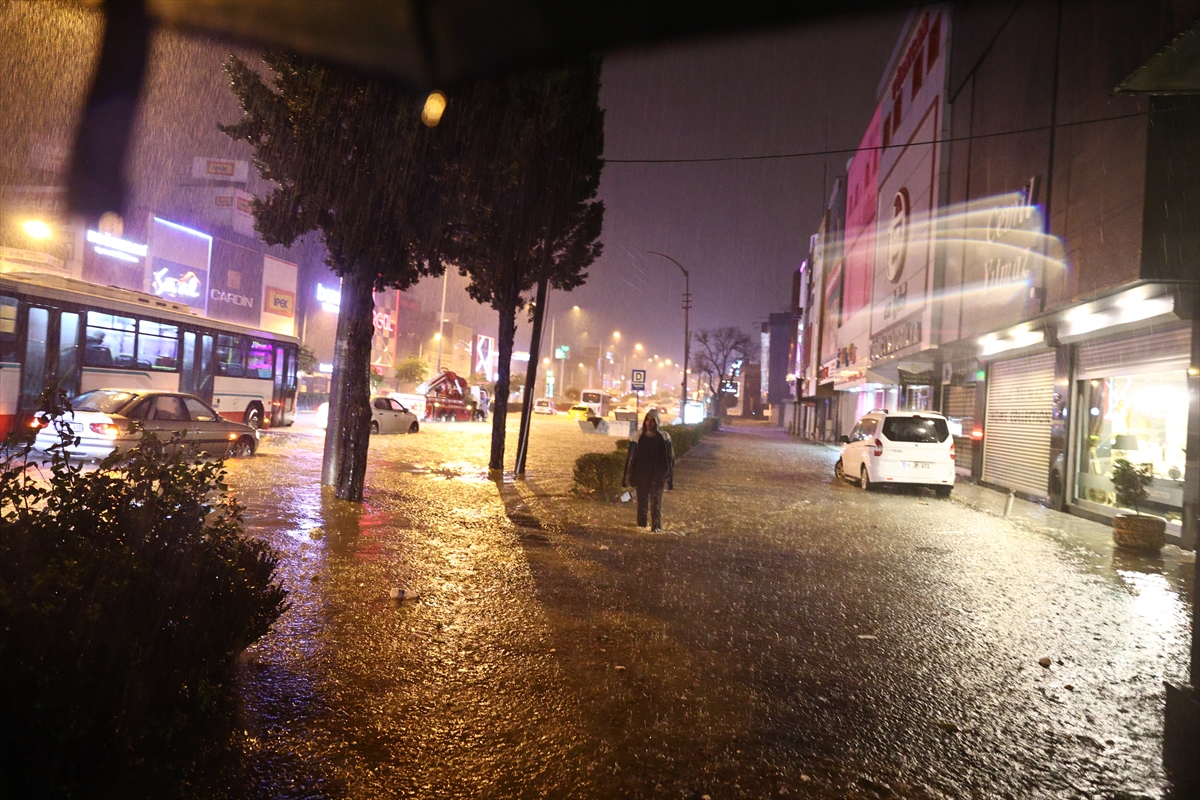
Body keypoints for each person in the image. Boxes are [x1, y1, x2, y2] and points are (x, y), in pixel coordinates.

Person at [622, 408, 674, 531]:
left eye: (652, 420)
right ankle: (641, 528)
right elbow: (630, 458)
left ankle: (656, 529)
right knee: (642, 506)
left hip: (657, 476)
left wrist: (669, 479)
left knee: (655, 505)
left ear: (657, 422)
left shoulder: (664, 437)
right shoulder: (637, 437)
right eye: (647, 420)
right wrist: (626, 477)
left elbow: (669, 460)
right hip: (641, 476)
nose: (649, 423)